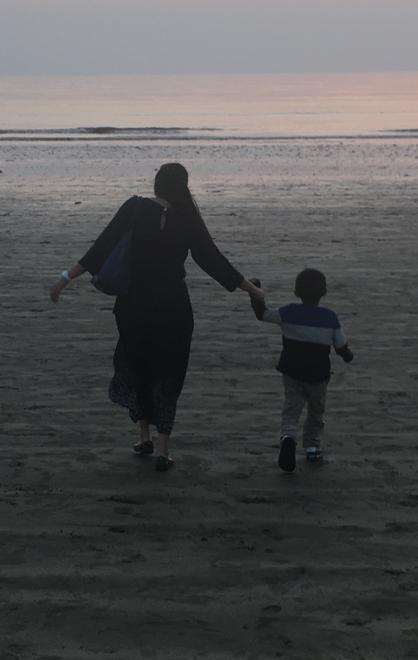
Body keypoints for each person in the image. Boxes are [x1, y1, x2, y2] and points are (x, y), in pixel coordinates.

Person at [49, 163, 263, 471]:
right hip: (174, 307)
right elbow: (212, 260)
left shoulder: (135, 208)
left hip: (134, 306)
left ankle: (144, 435)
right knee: (169, 373)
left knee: (140, 367)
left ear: (157, 184)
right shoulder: (187, 218)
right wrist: (251, 291)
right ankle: (163, 449)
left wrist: (65, 279)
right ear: (183, 187)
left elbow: (101, 248)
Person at [249, 267, 353, 472]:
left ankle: (288, 438)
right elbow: (340, 346)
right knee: (316, 412)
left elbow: (262, 314)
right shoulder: (329, 318)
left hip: (292, 372)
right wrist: (347, 355)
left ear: (296, 292)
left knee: (291, 410)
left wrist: (255, 291)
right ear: (323, 292)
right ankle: (312, 447)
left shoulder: (288, 312)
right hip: (318, 375)